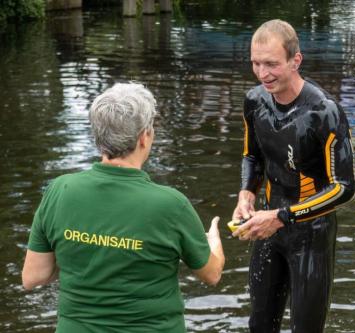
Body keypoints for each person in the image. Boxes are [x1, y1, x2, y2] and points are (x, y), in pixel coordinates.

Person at [22, 82, 225, 333]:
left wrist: (84, 251)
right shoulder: (171, 205)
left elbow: (33, 277)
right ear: (144, 137)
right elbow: (212, 274)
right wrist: (214, 241)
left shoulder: (59, 191)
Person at [232, 19, 355, 333]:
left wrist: (284, 216)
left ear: (295, 61)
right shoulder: (254, 101)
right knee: (260, 325)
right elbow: (252, 156)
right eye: (256, 64)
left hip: (311, 233)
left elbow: (344, 187)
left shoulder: (324, 112)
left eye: (271, 64)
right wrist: (246, 193)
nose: (263, 74)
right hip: (268, 226)